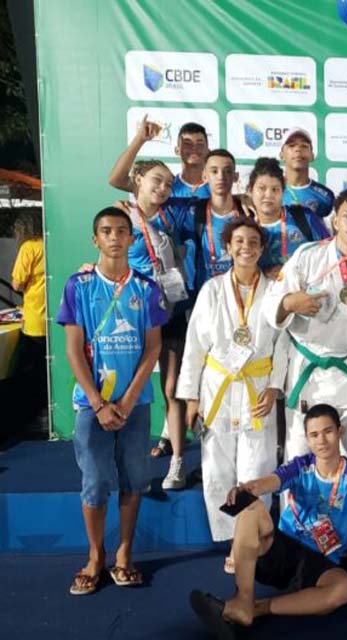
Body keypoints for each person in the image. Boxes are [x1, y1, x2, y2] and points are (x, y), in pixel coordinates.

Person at [189, 404, 347, 636]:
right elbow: (272, 481)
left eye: (328, 431)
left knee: (344, 588)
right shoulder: (300, 467)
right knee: (250, 508)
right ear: (308, 440)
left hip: (321, 563)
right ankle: (242, 599)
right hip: (282, 552)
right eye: (314, 434)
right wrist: (250, 488)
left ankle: (255, 609)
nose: (321, 440)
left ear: (340, 432)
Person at [57, 207, 168, 595]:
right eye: (107, 231)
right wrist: (100, 404)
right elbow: (73, 350)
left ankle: (124, 554)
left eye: (123, 231)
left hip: (135, 405)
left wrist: (129, 399)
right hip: (92, 405)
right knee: (95, 482)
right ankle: (94, 556)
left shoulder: (146, 288)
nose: (116, 237)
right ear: (96, 239)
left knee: (135, 479)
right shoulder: (78, 285)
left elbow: (153, 348)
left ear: (132, 239)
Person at [263, 188, 347, 471]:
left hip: (346, 366)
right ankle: (295, 514)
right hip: (306, 364)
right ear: (335, 220)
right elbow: (271, 303)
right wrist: (289, 302)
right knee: (299, 447)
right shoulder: (307, 256)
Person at [176, 218, 288, 546]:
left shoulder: (273, 292)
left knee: (257, 466)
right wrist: (191, 399)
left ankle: (251, 539)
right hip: (218, 387)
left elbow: (283, 343)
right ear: (227, 247)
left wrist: (274, 387)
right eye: (239, 241)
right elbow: (194, 347)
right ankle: (230, 538)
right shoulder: (211, 290)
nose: (246, 248)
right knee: (216, 468)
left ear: (262, 248)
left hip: (257, 386)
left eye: (253, 242)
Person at [115, 159, 194, 489]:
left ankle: (176, 463)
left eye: (167, 184)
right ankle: (131, 468)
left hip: (172, 313)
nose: (162, 188)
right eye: (155, 181)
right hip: (137, 317)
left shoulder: (169, 216)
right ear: (138, 180)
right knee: (134, 391)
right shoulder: (123, 216)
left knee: (172, 390)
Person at [245, 157, 329, 278]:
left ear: (283, 192)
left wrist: (290, 272)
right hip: (258, 295)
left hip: (302, 293)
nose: (268, 195)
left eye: (275, 189)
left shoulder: (304, 217)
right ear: (250, 190)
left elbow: (328, 255)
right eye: (262, 188)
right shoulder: (244, 224)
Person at [178, 149, 248, 289]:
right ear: (204, 176)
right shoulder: (194, 211)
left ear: (236, 176)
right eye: (214, 171)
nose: (221, 176)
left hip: (241, 293)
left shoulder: (246, 211)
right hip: (205, 294)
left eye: (227, 171)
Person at [108, 116, 210, 199]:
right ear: (177, 151)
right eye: (187, 144)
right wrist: (139, 139)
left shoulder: (218, 185)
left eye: (200, 144)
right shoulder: (164, 185)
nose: (194, 148)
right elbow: (117, 180)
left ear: (208, 151)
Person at [11, 209, 47, 426]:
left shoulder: (28, 248)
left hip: (34, 319)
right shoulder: (50, 245)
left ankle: (35, 415)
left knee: (30, 370)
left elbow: (16, 283)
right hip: (53, 318)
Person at [279, 128, 335, 219]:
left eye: (304, 146)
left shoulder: (326, 196)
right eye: (292, 145)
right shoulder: (271, 191)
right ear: (282, 155)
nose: (298, 149)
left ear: (312, 156)